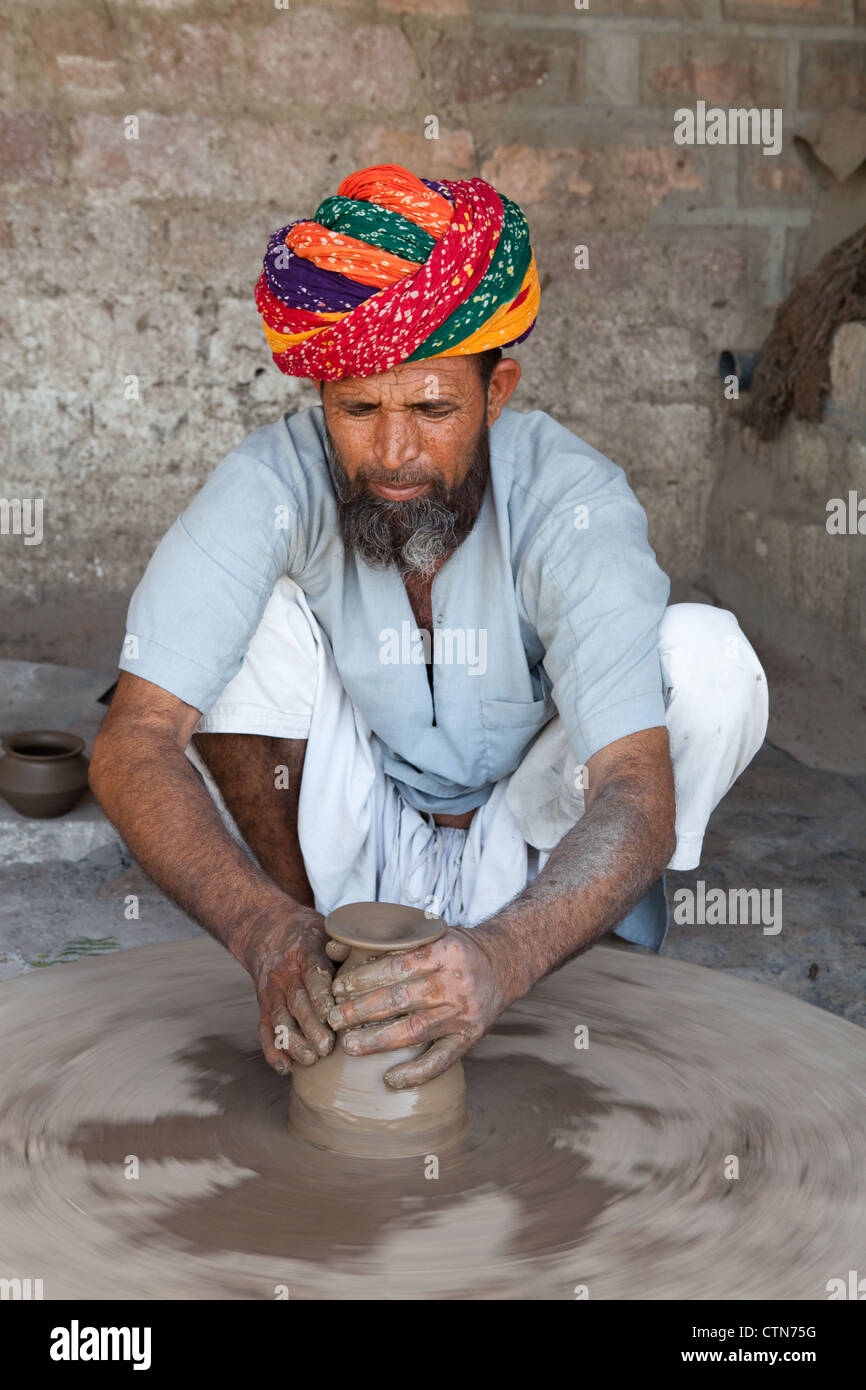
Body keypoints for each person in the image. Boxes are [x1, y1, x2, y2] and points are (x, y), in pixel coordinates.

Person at [90, 163, 768, 1092]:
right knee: (250, 626)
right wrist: (264, 932)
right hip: (353, 835)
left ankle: (580, 965)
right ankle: (315, 972)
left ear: (497, 393)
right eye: (357, 410)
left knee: (709, 658)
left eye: (433, 408)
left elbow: (635, 793)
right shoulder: (272, 483)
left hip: (529, 845)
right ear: (321, 398)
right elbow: (132, 741)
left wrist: (507, 954)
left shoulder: (573, 501)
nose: (394, 454)